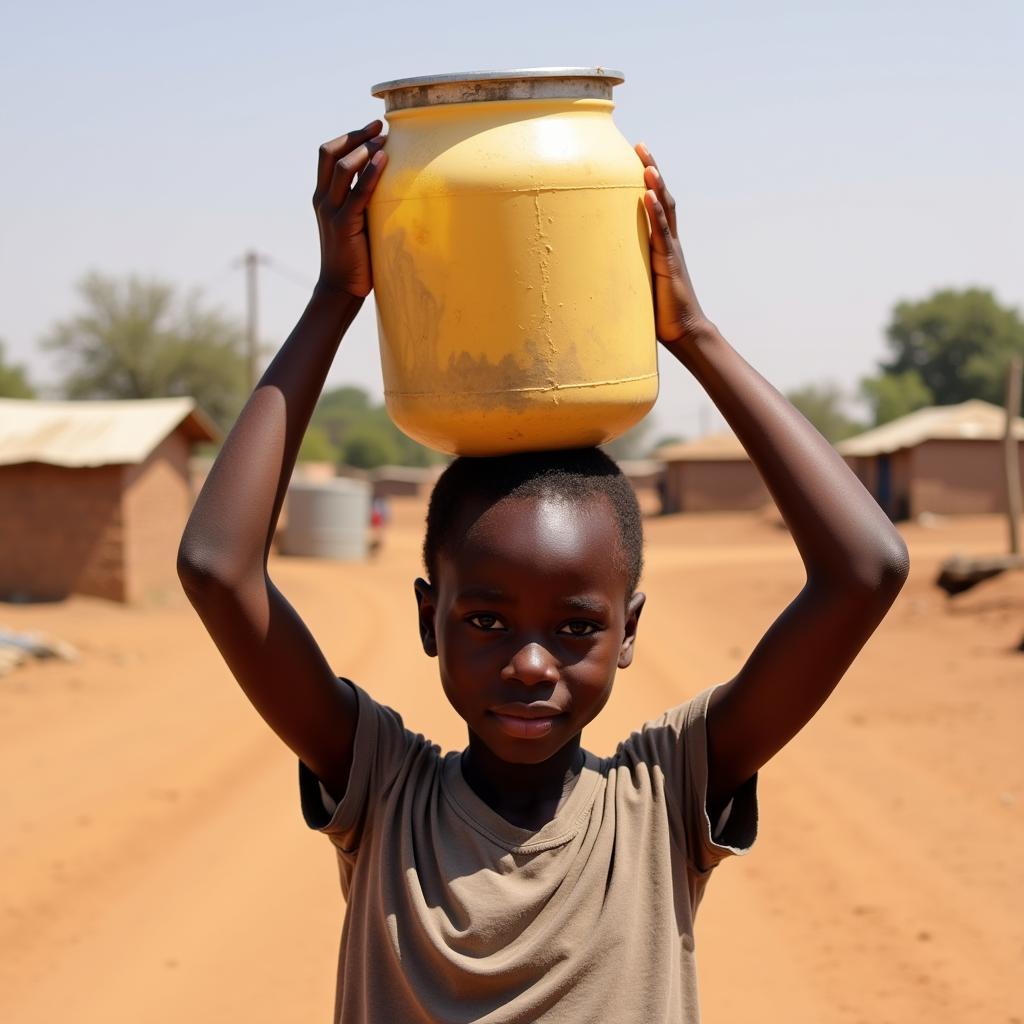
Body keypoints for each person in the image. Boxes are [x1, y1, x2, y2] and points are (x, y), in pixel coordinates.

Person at [177, 120, 909, 1022]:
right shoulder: (380, 788)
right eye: (486, 621)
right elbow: (216, 568)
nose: (531, 665)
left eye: (575, 627)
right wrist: (335, 294)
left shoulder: (665, 798)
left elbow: (867, 569)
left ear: (629, 630)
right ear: (426, 618)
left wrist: (693, 332)